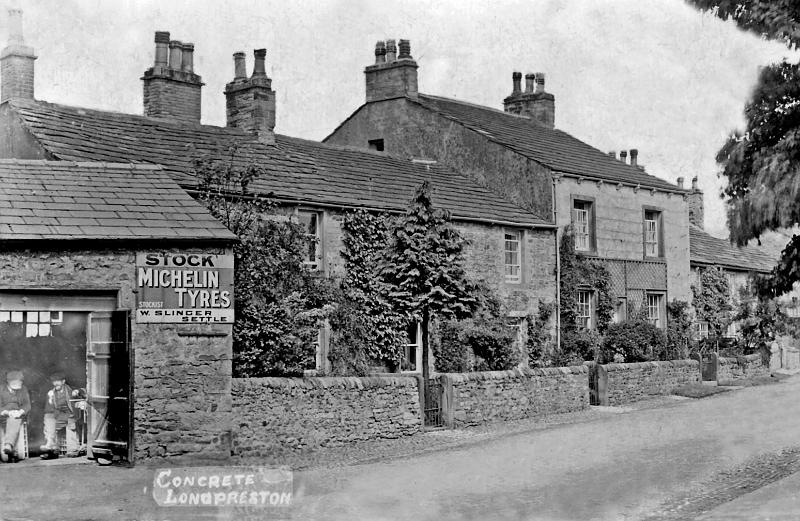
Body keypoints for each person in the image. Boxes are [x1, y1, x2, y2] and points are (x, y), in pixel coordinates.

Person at [40, 372, 81, 458]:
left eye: (58, 381)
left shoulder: (70, 390)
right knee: (48, 418)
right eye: (54, 381)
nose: (56, 383)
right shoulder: (51, 393)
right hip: (59, 415)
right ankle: (51, 447)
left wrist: (78, 391)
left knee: (70, 423)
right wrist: (50, 401)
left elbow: (84, 392)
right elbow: (48, 410)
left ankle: (73, 449)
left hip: (70, 414)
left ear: (63, 381)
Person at [0, 370, 31, 459]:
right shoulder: (1, 389)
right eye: (15, 382)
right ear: (9, 382)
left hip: (18, 415)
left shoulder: (23, 389)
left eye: (20, 382)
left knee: (14, 419)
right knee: (11, 419)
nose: (18, 384)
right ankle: (11, 450)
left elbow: (27, 405)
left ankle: (9, 445)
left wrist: (20, 411)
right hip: (3, 415)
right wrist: (6, 412)